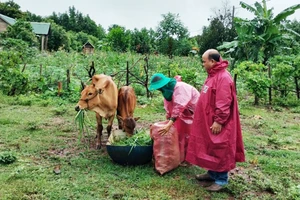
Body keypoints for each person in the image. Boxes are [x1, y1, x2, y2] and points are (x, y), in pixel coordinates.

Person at [186, 49, 245, 192]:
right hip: (208, 120)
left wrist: (219, 121)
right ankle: (212, 173)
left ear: (212, 61)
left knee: (220, 148)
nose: (203, 64)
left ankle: (221, 180)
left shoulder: (223, 78)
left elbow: (224, 102)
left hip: (217, 122)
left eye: (204, 61)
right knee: (210, 146)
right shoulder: (213, 75)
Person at [149, 73, 200, 163]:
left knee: (190, 134)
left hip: (194, 111)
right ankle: (180, 156)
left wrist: (170, 123)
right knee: (180, 132)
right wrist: (169, 117)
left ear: (164, 85)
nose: (158, 90)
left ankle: (189, 158)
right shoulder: (167, 91)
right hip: (183, 113)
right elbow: (169, 105)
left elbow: (179, 105)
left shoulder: (180, 88)